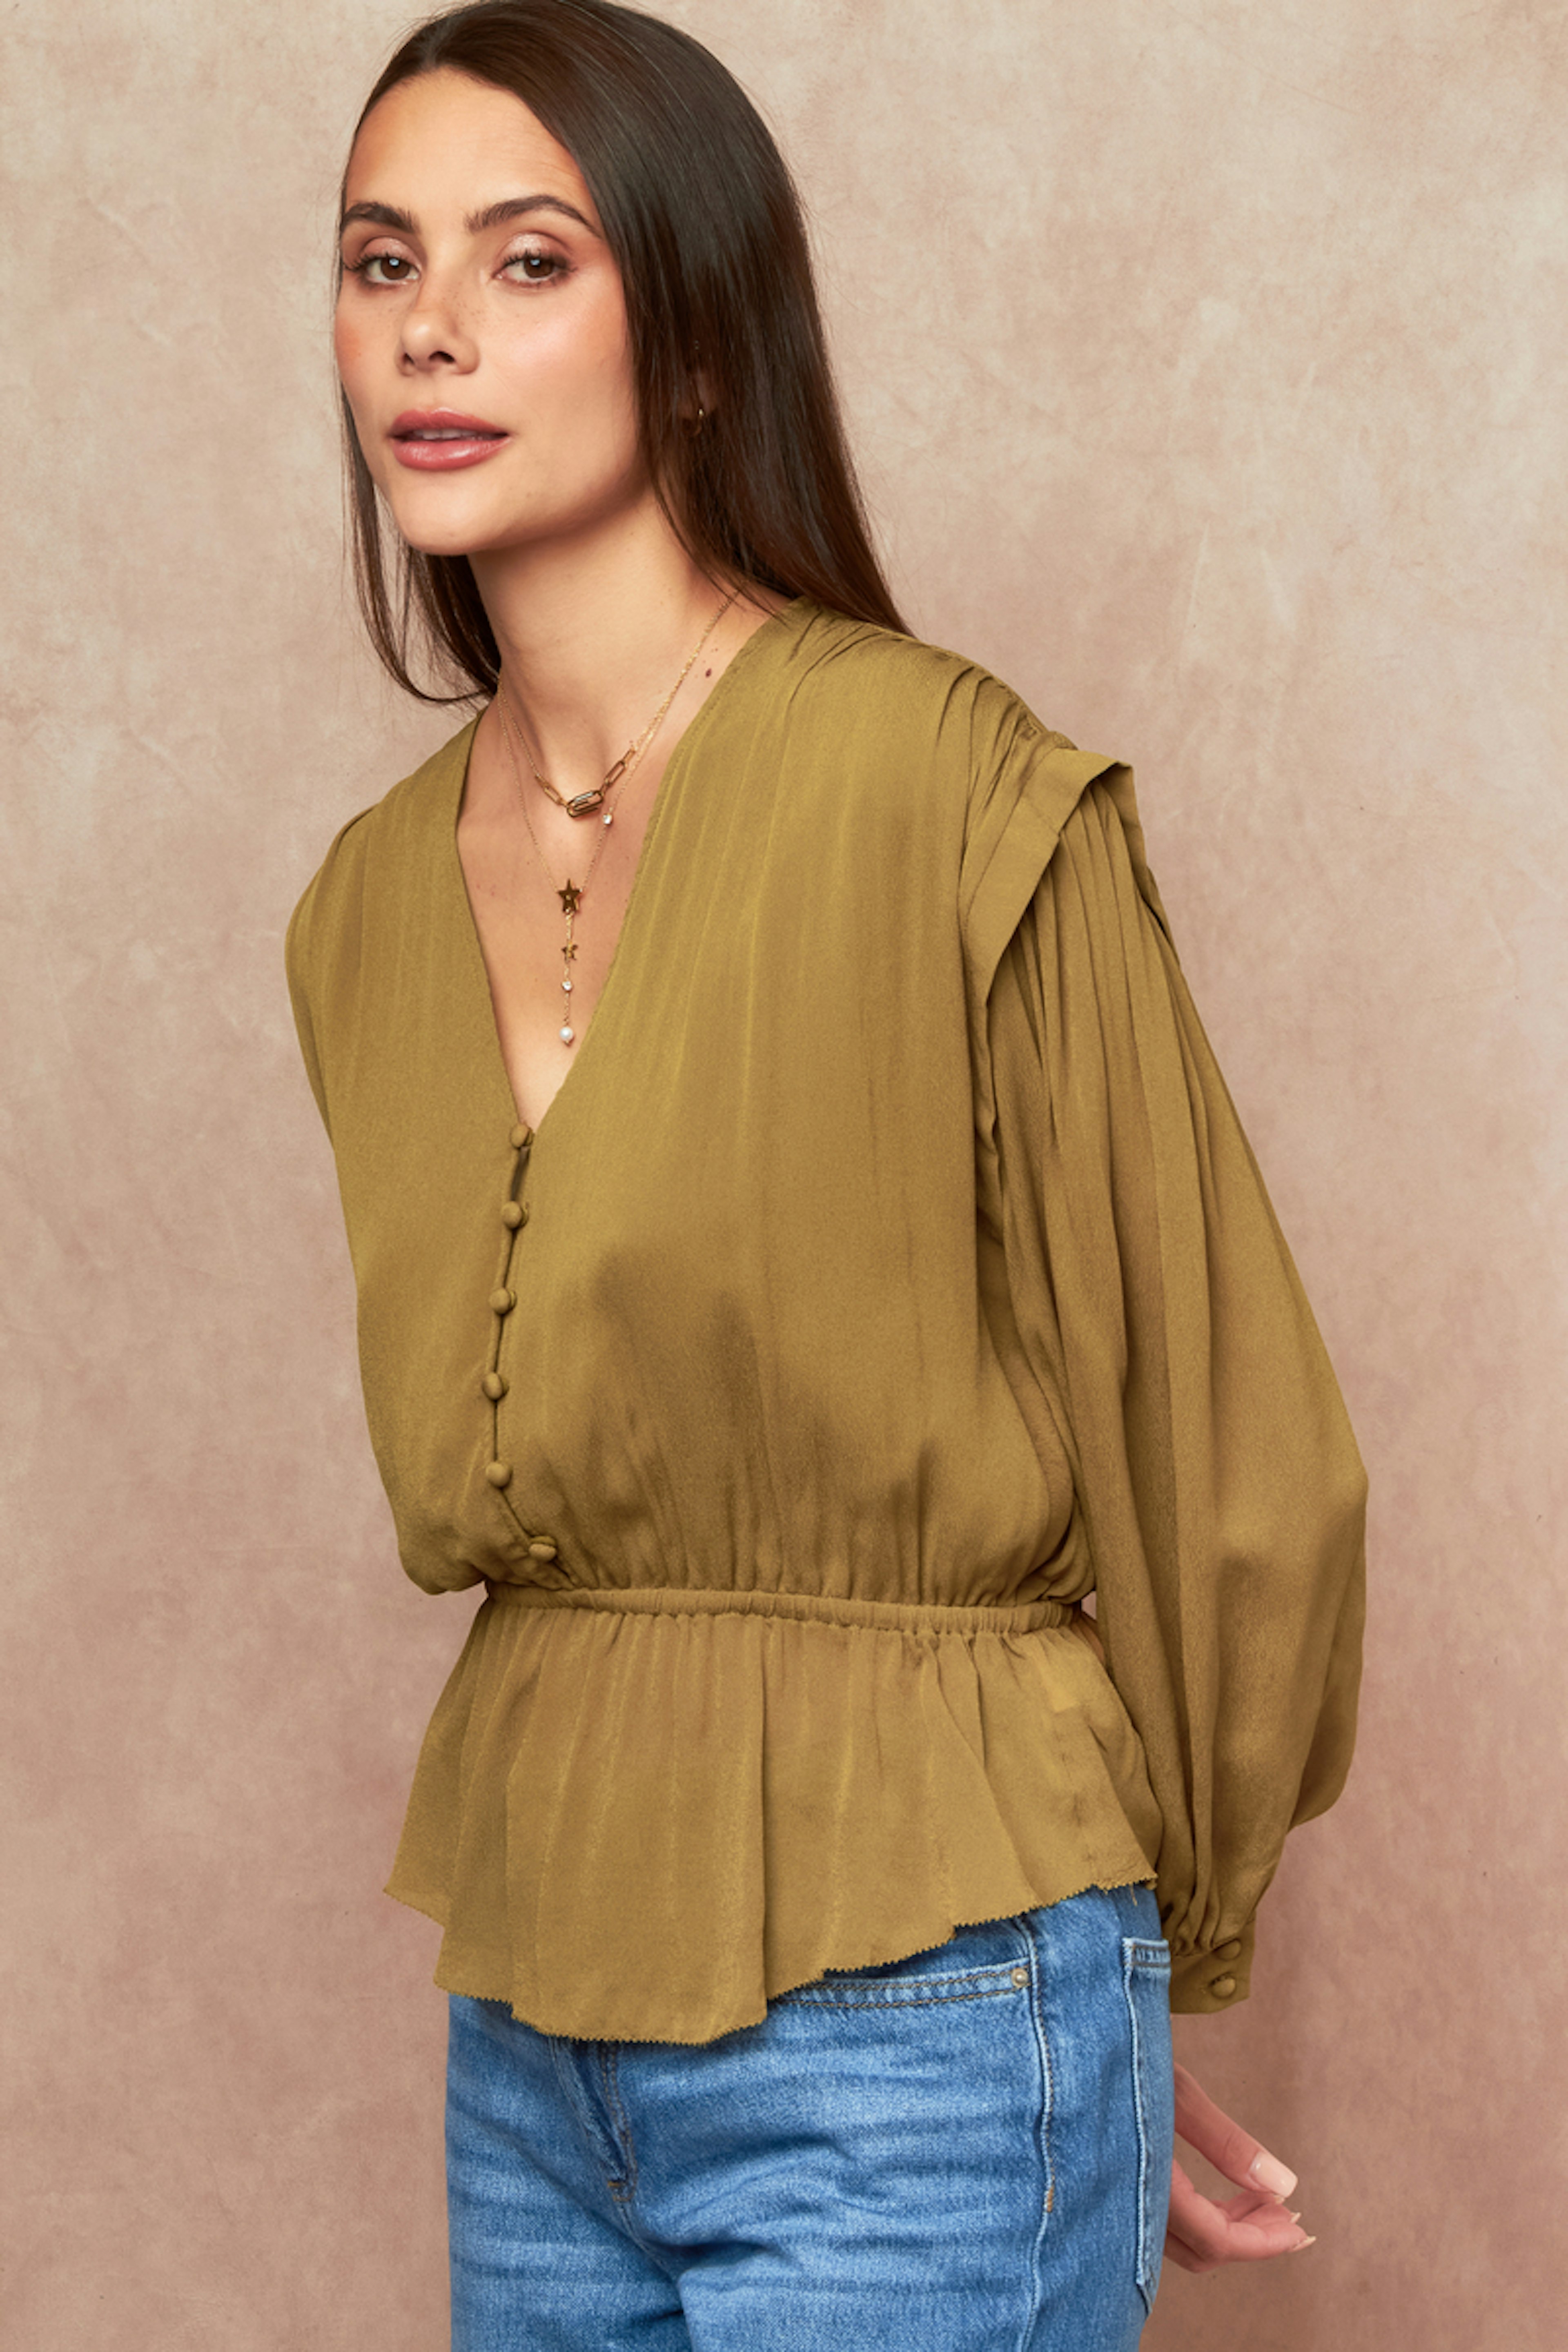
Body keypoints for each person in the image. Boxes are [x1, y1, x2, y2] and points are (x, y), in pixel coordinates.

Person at [284, 2, 1368, 2343]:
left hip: (930, 2010)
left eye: (529, 257)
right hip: (534, 2041)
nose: (431, 327)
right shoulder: (362, 906)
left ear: (697, 347)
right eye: (382, 261)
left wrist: (1117, 1958)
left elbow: (1229, 1451)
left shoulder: (939, 784)